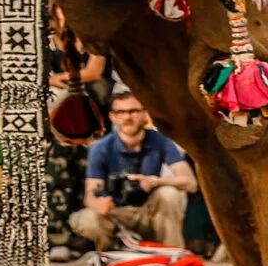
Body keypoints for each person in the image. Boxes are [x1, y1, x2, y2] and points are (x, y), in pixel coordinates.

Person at [66, 90, 198, 256]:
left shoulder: (161, 141)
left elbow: (190, 183)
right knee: (86, 219)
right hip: (116, 213)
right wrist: (99, 204)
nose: (127, 117)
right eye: (121, 112)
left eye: (133, 111)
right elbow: (89, 196)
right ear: (112, 116)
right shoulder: (101, 147)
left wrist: (155, 181)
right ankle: (110, 256)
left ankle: (172, 258)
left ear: (145, 114)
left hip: (149, 213)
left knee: (169, 194)